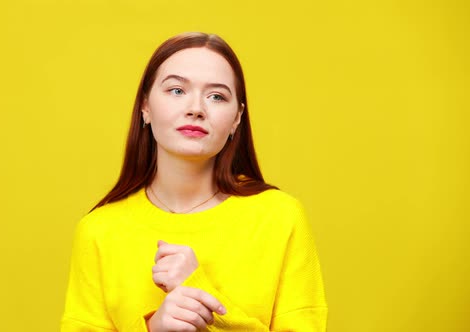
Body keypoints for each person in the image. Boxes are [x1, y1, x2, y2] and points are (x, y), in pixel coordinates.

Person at [61, 32, 327, 332]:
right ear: (145, 106)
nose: (196, 108)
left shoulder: (280, 218)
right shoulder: (98, 231)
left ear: (237, 118)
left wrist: (197, 290)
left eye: (217, 96)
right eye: (176, 90)